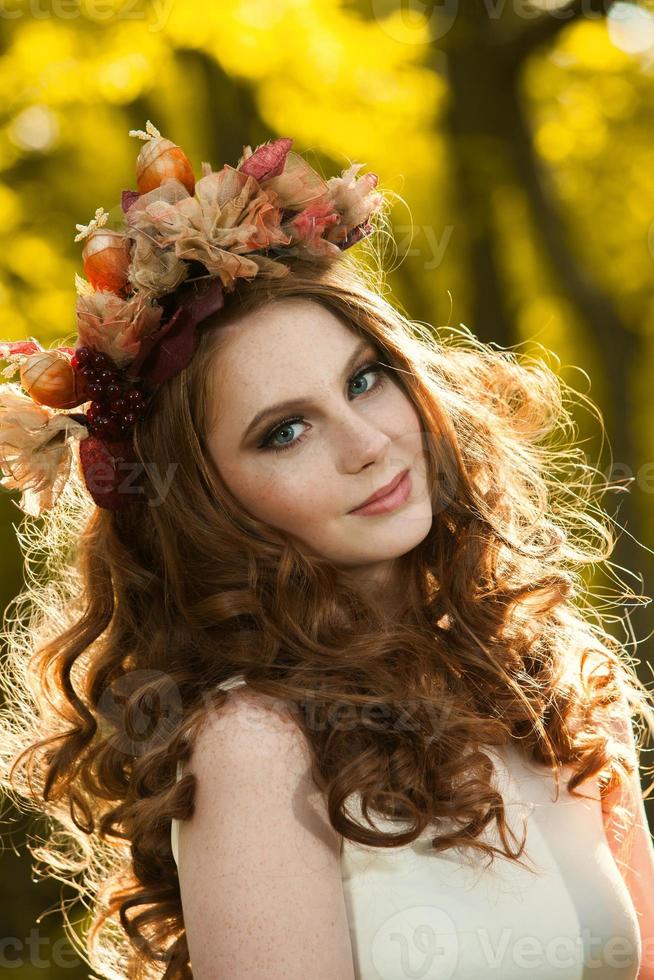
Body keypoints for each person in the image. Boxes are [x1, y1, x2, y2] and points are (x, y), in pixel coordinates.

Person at [0, 121, 652, 980]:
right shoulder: (258, 740)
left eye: (365, 379)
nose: (368, 444)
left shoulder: (553, 675)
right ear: (207, 505)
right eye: (286, 432)